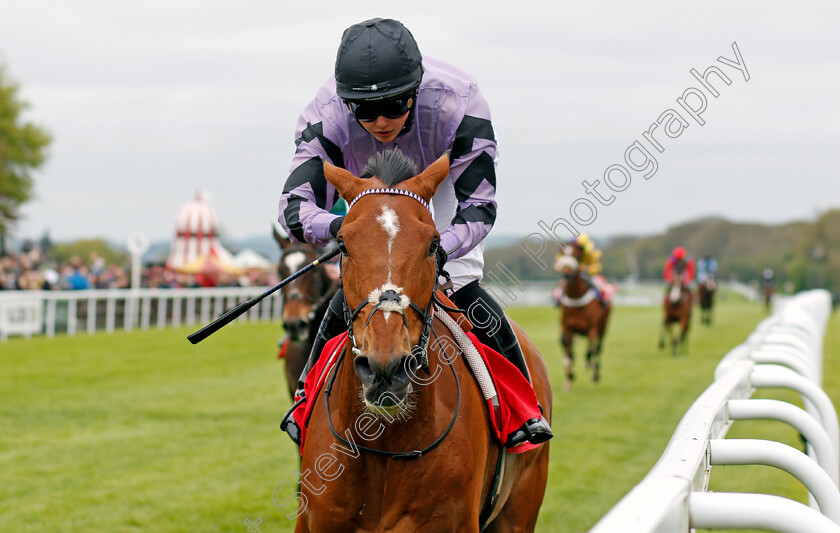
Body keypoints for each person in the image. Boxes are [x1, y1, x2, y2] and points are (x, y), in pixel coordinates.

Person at [277, 18, 551, 447]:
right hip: (365, 195)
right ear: (346, 104)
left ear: (417, 89)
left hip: (435, 190)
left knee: (459, 283)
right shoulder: (325, 113)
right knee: (357, 291)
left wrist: (439, 249)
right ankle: (305, 401)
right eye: (365, 112)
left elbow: (478, 206)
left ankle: (521, 410)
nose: (381, 121)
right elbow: (294, 209)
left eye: (395, 106)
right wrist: (352, 232)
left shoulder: (459, 101)